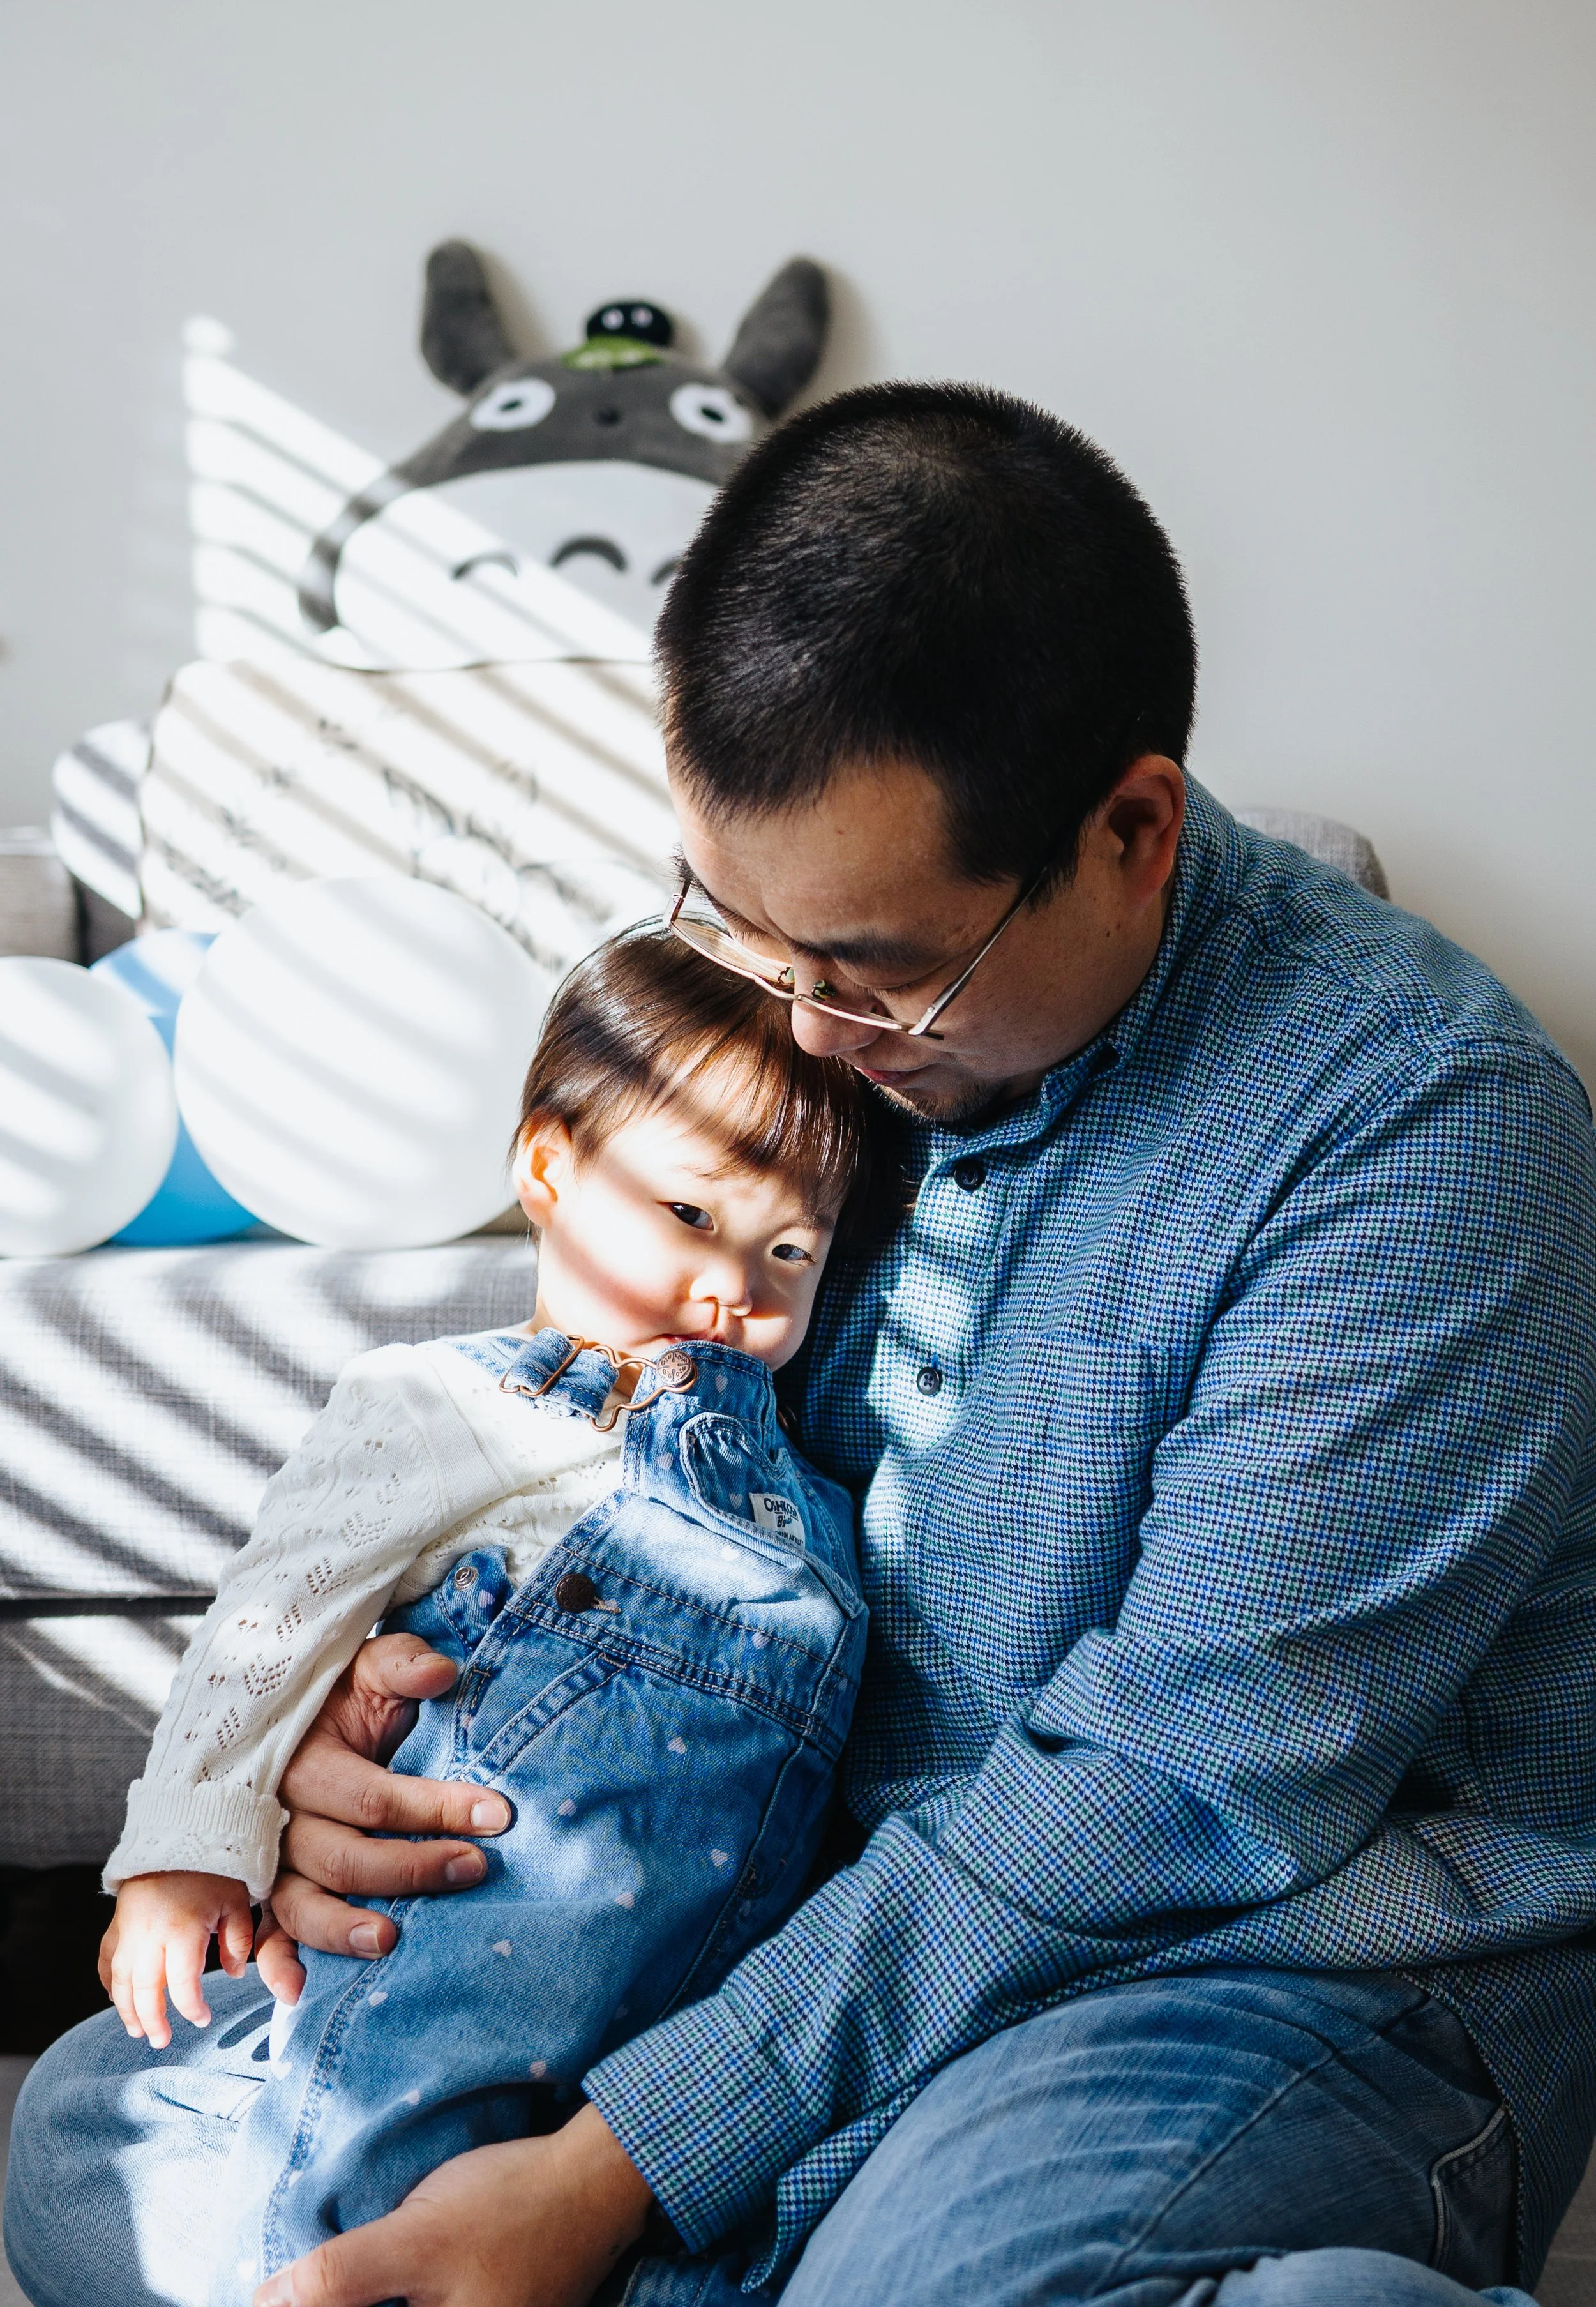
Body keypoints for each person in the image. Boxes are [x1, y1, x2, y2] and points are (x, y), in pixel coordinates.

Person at [10, 382, 1596, 2307]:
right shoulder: (815, 1018)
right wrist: (382, 1740)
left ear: (1131, 828)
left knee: (908, 2280)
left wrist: (610, 2164)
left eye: (867, 963)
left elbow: (1176, 1791)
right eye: (734, 921)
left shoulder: (1422, 1135)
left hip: (1255, 1957)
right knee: (115, 2139)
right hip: (792, 1889)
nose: (799, 1021)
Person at [22, 931, 882, 2307]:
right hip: (468, 1941)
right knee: (321, 2192)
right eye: (693, 1219)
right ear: (546, 1170)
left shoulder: (809, 1481)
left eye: (792, 1249)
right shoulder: (451, 1404)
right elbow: (273, 1622)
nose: (738, 1289)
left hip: (671, 2012)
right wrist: (184, 1857)